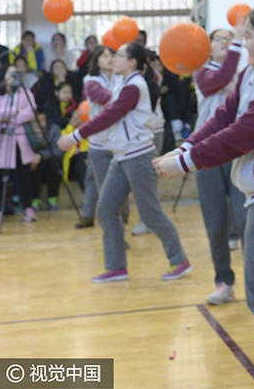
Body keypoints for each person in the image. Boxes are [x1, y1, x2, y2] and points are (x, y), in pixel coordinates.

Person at [153, 4, 254, 389]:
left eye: (247, 36)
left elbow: (241, 135)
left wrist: (186, 163)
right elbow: (225, 116)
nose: (240, 44)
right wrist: (185, 147)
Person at [59, 43, 190, 283]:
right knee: (107, 209)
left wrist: (76, 136)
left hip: (138, 156)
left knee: (151, 214)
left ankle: (179, 260)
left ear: (132, 62)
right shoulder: (121, 82)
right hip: (121, 156)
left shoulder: (134, 85)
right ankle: (117, 267)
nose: (114, 59)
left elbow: (109, 116)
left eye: (119, 55)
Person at [192, 26, 248, 305]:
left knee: (246, 219)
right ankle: (223, 281)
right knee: (215, 224)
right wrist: (239, 43)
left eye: (230, 38)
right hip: (207, 155)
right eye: (220, 39)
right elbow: (222, 77)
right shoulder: (202, 72)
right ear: (209, 46)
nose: (226, 42)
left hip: (237, 152)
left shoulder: (247, 73)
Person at [75, 45, 116, 229]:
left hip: (117, 139)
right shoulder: (90, 80)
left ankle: (92, 215)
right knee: (101, 183)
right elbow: (103, 97)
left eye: (111, 55)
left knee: (108, 182)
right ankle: (94, 216)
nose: (109, 59)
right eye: (105, 56)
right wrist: (126, 95)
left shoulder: (120, 77)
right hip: (98, 139)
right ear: (96, 61)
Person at [0, 66, 38, 223]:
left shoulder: (25, 93)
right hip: (2, 140)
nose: (13, 77)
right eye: (9, 74)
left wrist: (11, 118)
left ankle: (28, 208)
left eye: (16, 74)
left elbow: (31, 111)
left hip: (21, 140)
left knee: (24, 175)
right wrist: (16, 112)